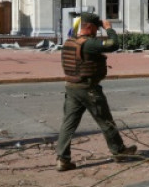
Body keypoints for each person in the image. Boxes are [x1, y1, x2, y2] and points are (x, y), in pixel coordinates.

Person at [55, 12, 137, 172]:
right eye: (96, 28)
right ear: (89, 27)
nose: (97, 32)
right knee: (105, 121)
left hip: (72, 87)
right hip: (89, 88)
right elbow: (113, 44)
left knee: (68, 124)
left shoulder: (69, 41)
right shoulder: (88, 44)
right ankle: (119, 151)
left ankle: (62, 159)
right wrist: (109, 28)